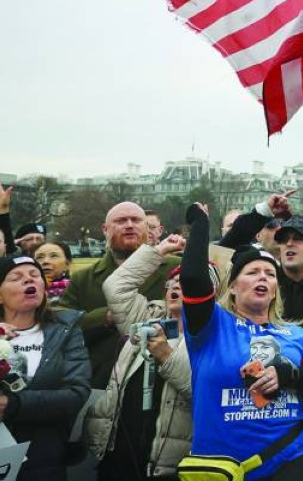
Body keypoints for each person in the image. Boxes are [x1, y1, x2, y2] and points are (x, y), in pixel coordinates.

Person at [180, 198, 303, 480]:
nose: (262, 277)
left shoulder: (295, 333)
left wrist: (289, 374)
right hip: (220, 464)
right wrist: (201, 223)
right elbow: (193, 277)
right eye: (252, 272)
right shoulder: (212, 324)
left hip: (290, 454)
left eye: (269, 273)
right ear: (231, 288)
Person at [87, 234, 200, 480]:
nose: (177, 286)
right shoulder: (145, 319)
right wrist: (158, 251)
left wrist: (166, 356)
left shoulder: (215, 335)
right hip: (119, 454)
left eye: (188, 282)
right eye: (173, 282)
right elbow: (115, 287)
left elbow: (202, 390)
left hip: (171, 467)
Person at [60, 201, 179, 388]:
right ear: (105, 229)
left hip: (163, 382)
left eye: (136, 220)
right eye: (121, 220)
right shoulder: (84, 278)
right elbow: (62, 324)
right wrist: (106, 317)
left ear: (148, 228)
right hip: (101, 381)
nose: (129, 225)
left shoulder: (176, 268)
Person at [0, 255, 91, 481]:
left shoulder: (65, 331)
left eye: (34, 276)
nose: (28, 281)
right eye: (16, 277)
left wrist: (14, 405)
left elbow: (76, 394)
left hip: (43, 458)